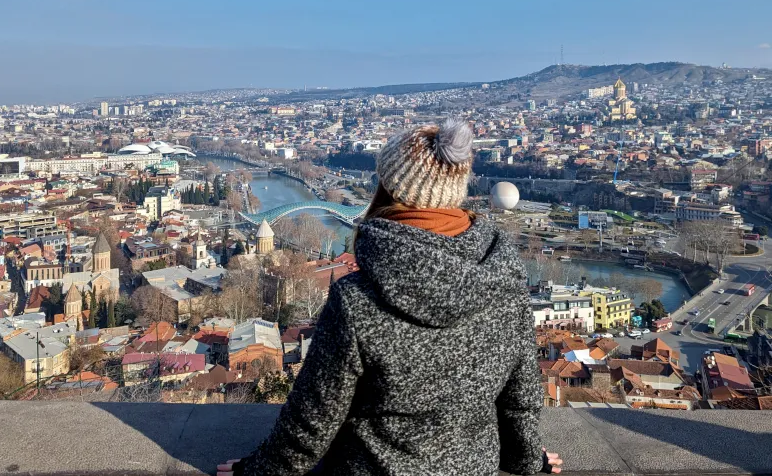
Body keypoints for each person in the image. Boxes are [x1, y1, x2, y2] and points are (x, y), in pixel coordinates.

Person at [218, 119, 562, 475]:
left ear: (389, 187)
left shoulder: (356, 301)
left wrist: (260, 470)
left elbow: (313, 419)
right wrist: (526, 460)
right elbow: (520, 401)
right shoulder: (506, 284)